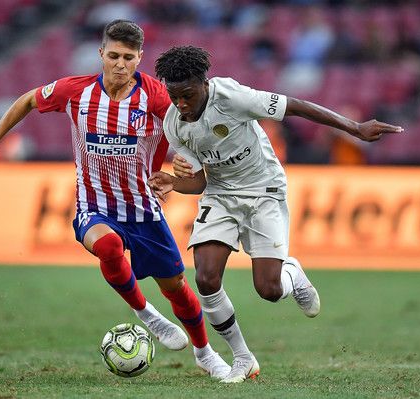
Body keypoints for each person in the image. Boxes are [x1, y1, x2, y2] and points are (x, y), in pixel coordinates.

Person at [0, 21, 230, 379]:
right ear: (101, 54)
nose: (120, 63)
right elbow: (27, 100)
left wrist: (185, 161)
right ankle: (146, 313)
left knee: (177, 289)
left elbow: (188, 126)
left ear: (139, 59)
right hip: (94, 206)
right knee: (109, 246)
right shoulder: (76, 91)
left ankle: (205, 353)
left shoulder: (154, 96)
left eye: (128, 57)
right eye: (114, 55)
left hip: (144, 209)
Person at [149, 45, 404, 383]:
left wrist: (354, 127)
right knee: (206, 278)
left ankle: (292, 274)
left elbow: (293, 107)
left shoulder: (233, 96)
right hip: (221, 193)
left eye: (187, 95)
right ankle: (242, 358)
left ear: (203, 84)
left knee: (268, 290)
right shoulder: (174, 124)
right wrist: (173, 181)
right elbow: (198, 182)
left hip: (264, 188)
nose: (181, 104)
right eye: (174, 96)